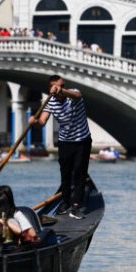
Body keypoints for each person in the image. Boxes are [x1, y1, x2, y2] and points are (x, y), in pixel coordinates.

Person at [30, 75, 91, 220]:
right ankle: (65, 202)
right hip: (65, 142)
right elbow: (42, 121)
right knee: (65, 174)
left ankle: (76, 205)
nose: (62, 88)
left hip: (82, 140)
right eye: (59, 86)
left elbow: (77, 95)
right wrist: (34, 122)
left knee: (79, 172)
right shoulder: (50, 101)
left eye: (63, 85)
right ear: (51, 88)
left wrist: (62, 91)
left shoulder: (72, 94)